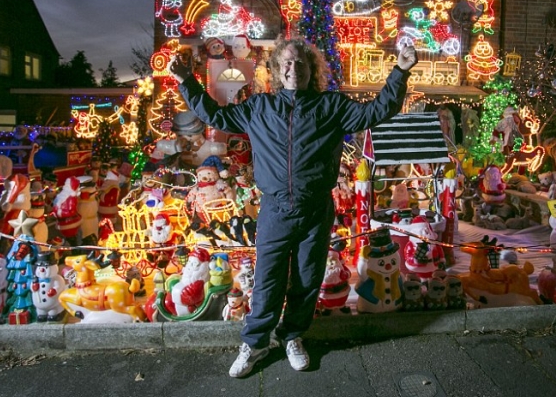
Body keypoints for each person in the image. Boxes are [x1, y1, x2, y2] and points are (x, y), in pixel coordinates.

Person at [168, 37, 418, 378]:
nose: (293, 68)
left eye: (300, 63)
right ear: (275, 70)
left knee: (306, 277)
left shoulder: (331, 106)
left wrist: (400, 72)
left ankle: (292, 336)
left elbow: (377, 111)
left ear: (311, 70)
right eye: (286, 63)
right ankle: (255, 343)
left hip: (315, 209)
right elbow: (214, 114)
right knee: (268, 280)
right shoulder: (259, 108)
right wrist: (186, 81)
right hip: (274, 209)